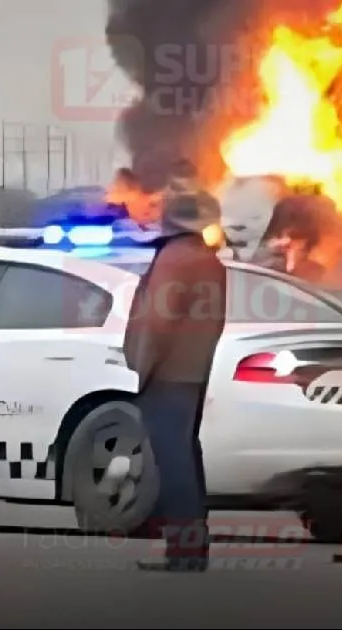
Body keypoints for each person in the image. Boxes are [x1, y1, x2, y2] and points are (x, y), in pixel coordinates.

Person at [124, 184, 227, 572]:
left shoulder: (173, 259)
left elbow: (156, 323)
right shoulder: (209, 260)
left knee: (173, 463)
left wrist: (143, 369)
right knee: (185, 457)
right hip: (193, 372)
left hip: (167, 375)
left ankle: (182, 552)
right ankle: (192, 545)